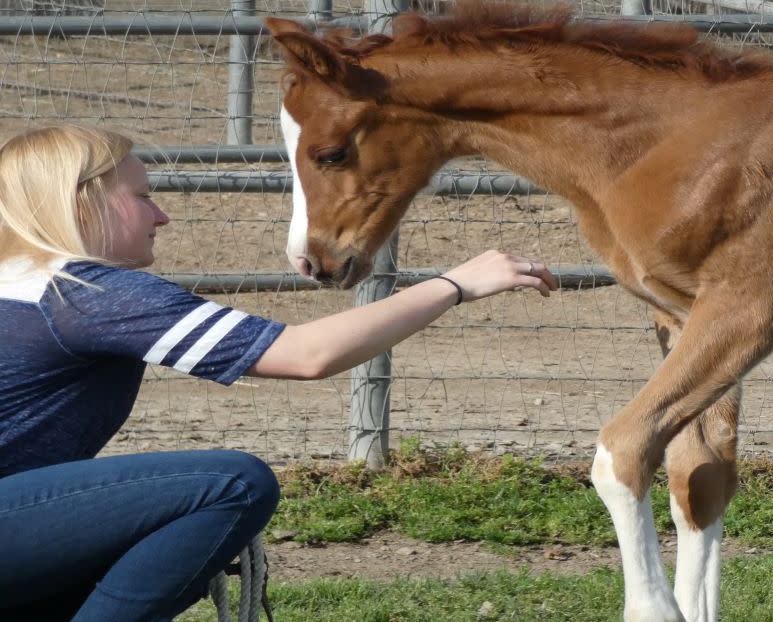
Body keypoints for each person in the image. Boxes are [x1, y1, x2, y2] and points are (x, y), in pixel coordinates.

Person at [0, 124, 558, 621]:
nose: (161, 215)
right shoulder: (85, 292)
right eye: (142, 196)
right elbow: (305, 355)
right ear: (82, 203)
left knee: (152, 534)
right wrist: (454, 285)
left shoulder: (22, 282)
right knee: (230, 485)